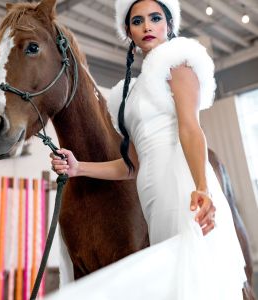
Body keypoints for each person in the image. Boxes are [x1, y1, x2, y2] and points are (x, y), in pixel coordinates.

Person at [50, 0, 246, 298]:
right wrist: (79, 167)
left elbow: (191, 129)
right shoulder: (127, 93)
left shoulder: (178, 63)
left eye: (155, 18)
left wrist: (202, 187)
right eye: (137, 21)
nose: (147, 26)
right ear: (128, 31)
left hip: (183, 189)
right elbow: (130, 166)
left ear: (168, 24)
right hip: (151, 198)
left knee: (197, 281)